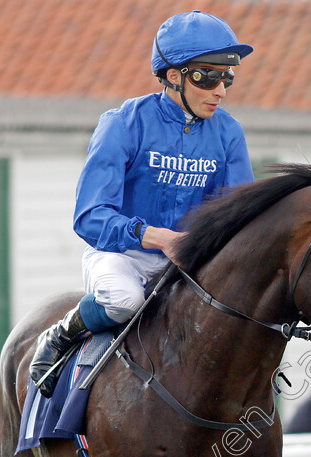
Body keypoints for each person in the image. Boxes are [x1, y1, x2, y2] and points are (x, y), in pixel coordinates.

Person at [29, 10, 255, 398]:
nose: (221, 90)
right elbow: (90, 217)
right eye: (209, 76)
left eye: (227, 77)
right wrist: (156, 237)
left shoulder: (229, 133)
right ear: (173, 76)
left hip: (189, 261)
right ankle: (63, 331)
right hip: (123, 255)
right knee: (125, 301)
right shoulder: (122, 124)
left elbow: (239, 216)